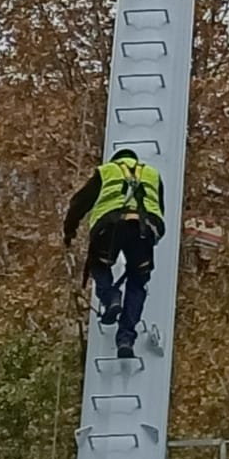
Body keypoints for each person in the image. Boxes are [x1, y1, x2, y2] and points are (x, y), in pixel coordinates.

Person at [63, 147, 166, 360]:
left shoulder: (107, 171)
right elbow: (159, 208)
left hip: (110, 226)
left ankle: (111, 298)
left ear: (116, 161)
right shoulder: (152, 174)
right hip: (144, 230)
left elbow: (79, 203)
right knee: (137, 282)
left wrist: (69, 231)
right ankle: (126, 338)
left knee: (99, 264)